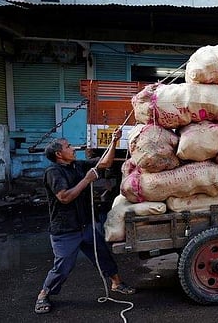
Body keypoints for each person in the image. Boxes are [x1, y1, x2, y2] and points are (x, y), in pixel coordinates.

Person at [34, 128, 135, 315]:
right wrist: (87, 180)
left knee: (103, 254)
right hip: (65, 229)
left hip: (85, 224)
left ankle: (116, 283)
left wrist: (114, 142)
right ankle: (44, 294)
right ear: (59, 154)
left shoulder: (78, 165)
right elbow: (64, 197)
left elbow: (105, 163)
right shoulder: (53, 172)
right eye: (68, 146)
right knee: (63, 266)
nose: (73, 148)